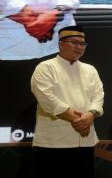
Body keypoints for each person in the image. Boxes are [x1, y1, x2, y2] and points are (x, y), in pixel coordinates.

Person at [31, 25, 104, 178]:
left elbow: (99, 96)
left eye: (82, 43)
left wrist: (91, 115)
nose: (79, 47)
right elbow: (47, 99)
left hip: (85, 141)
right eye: (74, 42)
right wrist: (79, 120)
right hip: (53, 143)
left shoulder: (90, 69)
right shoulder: (45, 67)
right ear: (60, 44)